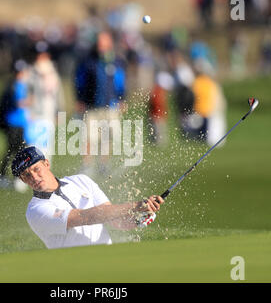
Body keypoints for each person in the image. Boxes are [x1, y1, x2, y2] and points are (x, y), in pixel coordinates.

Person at [12, 146, 163, 249]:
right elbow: (85, 217)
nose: (34, 177)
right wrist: (135, 206)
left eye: (36, 169)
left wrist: (138, 218)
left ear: (46, 164)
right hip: (76, 269)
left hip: (108, 258)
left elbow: (115, 221)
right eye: (26, 175)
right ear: (23, 180)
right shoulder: (36, 210)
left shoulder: (81, 180)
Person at [74, 30, 127, 176]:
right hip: (91, 106)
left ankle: (104, 164)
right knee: (89, 137)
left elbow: (120, 82)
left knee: (107, 136)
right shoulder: (88, 61)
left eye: (103, 42)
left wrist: (122, 99)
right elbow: (79, 81)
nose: (100, 45)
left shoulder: (116, 61)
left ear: (109, 43)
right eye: (99, 42)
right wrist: (79, 99)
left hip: (110, 107)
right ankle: (87, 165)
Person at [0, 60, 30, 191]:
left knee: (19, 150)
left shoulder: (23, 85)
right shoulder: (11, 86)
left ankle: (15, 177)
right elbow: (13, 104)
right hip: (12, 122)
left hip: (22, 123)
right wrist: (28, 102)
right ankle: (2, 176)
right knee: (12, 150)